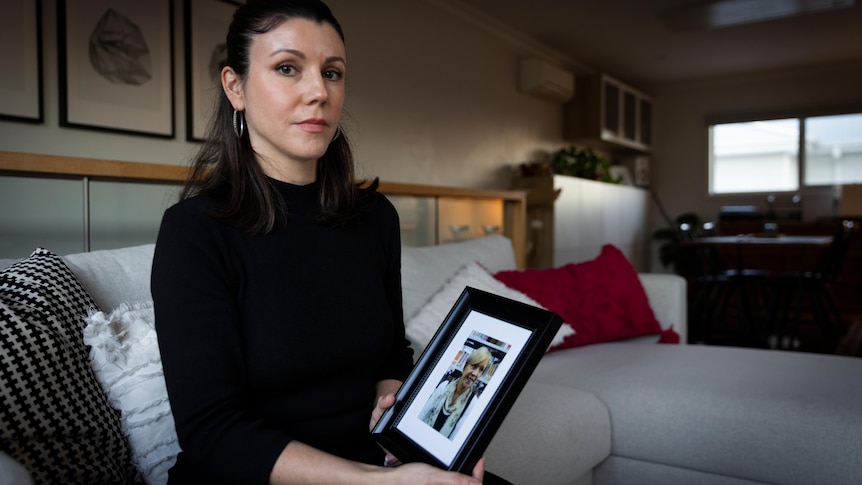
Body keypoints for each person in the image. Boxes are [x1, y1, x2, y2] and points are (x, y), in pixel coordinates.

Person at [151, 1, 489, 483]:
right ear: (235, 86)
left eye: (332, 73)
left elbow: (393, 352)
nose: (318, 92)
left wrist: (399, 424)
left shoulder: (375, 218)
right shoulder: (195, 231)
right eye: (287, 68)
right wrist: (374, 483)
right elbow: (213, 430)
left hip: (375, 463)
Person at [419, 347, 493, 439]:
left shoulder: (472, 402)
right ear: (465, 366)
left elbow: (456, 436)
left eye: (481, 370)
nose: (475, 373)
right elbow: (423, 413)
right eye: (474, 366)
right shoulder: (444, 385)